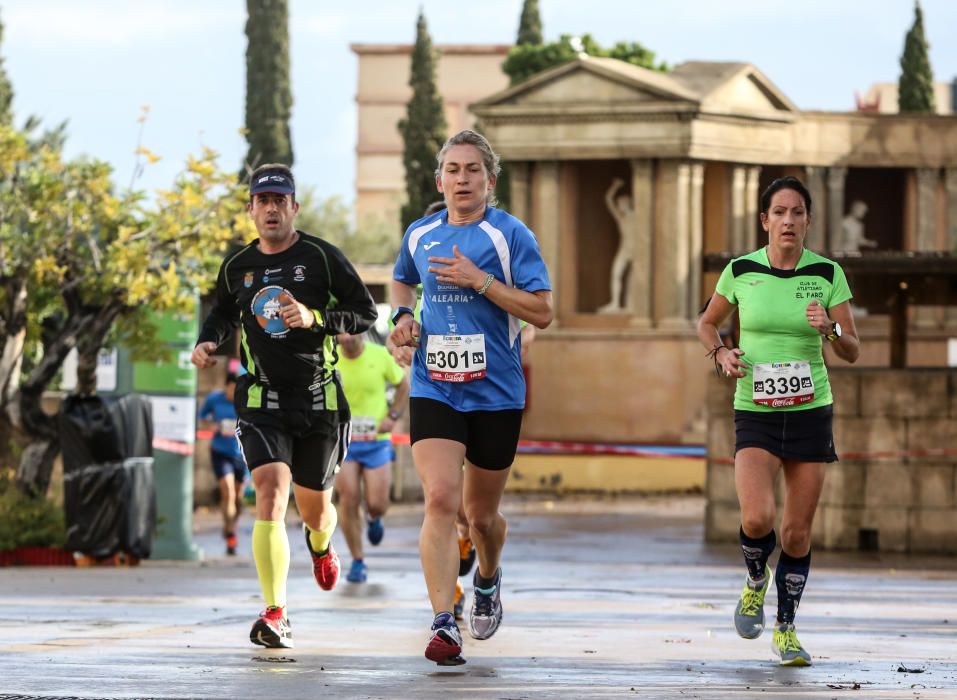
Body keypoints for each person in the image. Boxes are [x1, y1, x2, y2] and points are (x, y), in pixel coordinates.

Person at [191, 163, 377, 649]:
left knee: (315, 510)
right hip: (260, 399)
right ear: (251, 210)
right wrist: (207, 342)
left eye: (280, 201)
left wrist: (315, 316)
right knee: (271, 493)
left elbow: (365, 312)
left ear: (294, 207)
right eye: (262, 201)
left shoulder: (320, 256)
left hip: (318, 401)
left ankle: (321, 545)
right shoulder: (236, 267)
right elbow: (222, 314)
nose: (271, 209)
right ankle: (275, 612)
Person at [390, 129, 553, 666]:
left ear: (490, 181)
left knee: (480, 517)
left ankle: (486, 574)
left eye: (472, 170)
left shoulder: (511, 236)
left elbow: (542, 312)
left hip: (496, 393)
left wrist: (480, 281)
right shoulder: (421, 233)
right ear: (440, 179)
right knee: (439, 499)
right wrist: (403, 319)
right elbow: (401, 282)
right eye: (453, 170)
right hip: (434, 384)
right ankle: (443, 621)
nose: (462, 179)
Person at [697, 175, 860, 666]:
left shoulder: (827, 273)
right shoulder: (741, 270)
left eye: (798, 213)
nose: (789, 221)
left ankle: (786, 627)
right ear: (765, 220)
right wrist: (721, 353)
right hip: (756, 409)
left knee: (795, 533)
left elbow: (852, 348)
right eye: (780, 212)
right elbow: (706, 322)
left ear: (808, 221)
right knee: (757, 517)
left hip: (811, 413)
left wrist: (829, 328)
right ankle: (754, 581)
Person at [334, 331, 410, 583]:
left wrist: (393, 416)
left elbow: (403, 385)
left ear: (361, 331)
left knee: (377, 503)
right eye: (340, 334)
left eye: (350, 333)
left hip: (376, 441)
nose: (345, 339)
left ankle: (374, 517)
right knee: (349, 497)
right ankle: (357, 561)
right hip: (344, 441)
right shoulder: (330, 359)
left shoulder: (379, 355)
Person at [198, 372, 248, 555]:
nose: (233, 393)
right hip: (220, 451)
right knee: (228, 490)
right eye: (231, 389)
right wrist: (214, 427)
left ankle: (231, 526)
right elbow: (202, 420)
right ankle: (230, 533)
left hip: (241, 454)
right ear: (226, 386)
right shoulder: (214, 399)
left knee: (238, 496)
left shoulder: (245, 400)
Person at [597, 177, 634, 313]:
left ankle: (631, 306)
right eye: (618, 204)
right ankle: (615, 303)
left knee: (633, 280)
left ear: (628, 203)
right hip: (624, 249)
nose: (619, 206)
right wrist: (615, 187)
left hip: (636, 251)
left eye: (622, 203)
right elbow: (608, 200)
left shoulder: (637, 216)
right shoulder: (620, 217)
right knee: (616, 273)